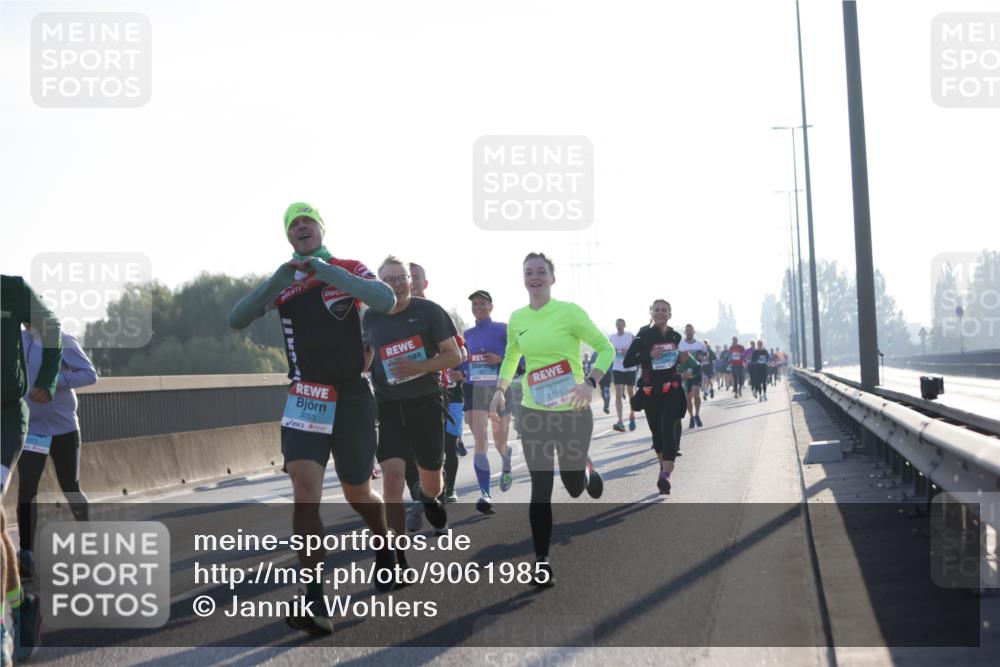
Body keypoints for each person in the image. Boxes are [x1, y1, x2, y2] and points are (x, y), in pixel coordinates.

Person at [228, 202, 396, 635]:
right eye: (293, 224)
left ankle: (385, 547)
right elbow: (237, 319)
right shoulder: (284, 283)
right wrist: (280, 279)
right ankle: (315, 598)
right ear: (289, 236)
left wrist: (328, 272)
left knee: (358, 492)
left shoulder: (347, 267)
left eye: (308, 221)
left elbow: (385, 298)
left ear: (321, 229)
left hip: (354, 396)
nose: (301, 227)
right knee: (305, 490)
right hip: (306, 396)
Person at [490, 253, 612, 587]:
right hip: (534, 413)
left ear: (552, 278)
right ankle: (541, 562)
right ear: (523, 278)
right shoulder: (517, 318)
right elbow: (512, 355)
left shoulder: (569, 312)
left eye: (540, 272)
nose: (534, 277)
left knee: (572, 489)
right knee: (540, 490)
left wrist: (590, 383)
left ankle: (583, 470)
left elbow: (605, 349)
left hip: (572, 413)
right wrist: (501, 389)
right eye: (528, 272)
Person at [363, 256, 462, 555]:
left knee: (431, 481)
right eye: (389, 279)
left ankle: (430, 499)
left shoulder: (429, 312)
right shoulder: (371, 317)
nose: (396, 284)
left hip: (426, 403)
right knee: (392, 482)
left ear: (411, 280)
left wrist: (420, 366)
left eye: (401, 278)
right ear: (380, 284)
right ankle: (396, 555)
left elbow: (454, 355)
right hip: (389, 405)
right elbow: (366, 357)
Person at [1, 275, 62, 662]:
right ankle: (20, 603)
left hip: (5, 420)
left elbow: (51, 328)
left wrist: (47, 378)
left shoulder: (11, 289)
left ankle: (2, 629)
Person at [17, 328, 97, 579]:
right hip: (33, 429)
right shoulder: (15, 340)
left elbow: (90, 375)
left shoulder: (63, 340)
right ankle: (26, 554)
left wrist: (56, 381)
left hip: (63, 427)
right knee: (27, 489)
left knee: (70, 486)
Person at [401, 263, 467, 530]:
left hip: (432, 394)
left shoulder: (433, 312)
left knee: (431, 457)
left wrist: (429, 364)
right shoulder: (388, 314)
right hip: (397, 397)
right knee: (405, 456)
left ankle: (432, 506)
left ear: (424, 283)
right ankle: (421, 498)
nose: (411, 283)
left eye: (415, 278)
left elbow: (458, 352)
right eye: (407, 278)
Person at [624, 299, 685, 495]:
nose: (660, 313)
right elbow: (627, 362)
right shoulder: (642, 336)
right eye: (657, 310)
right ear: (651, 312)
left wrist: (682, 360)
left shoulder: (676, 335)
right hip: (651, 392)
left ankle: (665, 476)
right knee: (657, 433)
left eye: (664, 310)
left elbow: (675, 360)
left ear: (670, 314)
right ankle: (662, 469)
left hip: (672, 389)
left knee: (668, 428)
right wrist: (649, 355)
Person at [463, 289, 514, 515]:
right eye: (475, 304)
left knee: (499, 440)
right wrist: (459, 373)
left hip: (499, 390)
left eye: (482, 304)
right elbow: (465, 362)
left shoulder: (503, 329)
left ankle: (506, 460)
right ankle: (485, 493)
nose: (478, 307)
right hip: (476, 391)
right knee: (480, 441)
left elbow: (518, 356)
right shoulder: (468, 334)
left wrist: (500, 359)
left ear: (491, 307)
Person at [608, 319, 637, 432]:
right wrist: (612, 351)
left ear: (625, 325)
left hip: (630, 368)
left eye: (621, 324)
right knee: (618, 394)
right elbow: (608, 350)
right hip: (618, 368)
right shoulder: (611, 338)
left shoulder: (630, 336)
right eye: (617, 325)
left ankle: (632, 415)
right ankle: (620, 421)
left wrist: (629, 352)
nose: (619, 326)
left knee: (630, 394)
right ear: (615, 326)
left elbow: (638, 348)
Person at [678, 325, 707, 428]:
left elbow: (705, 354)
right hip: (685, 374)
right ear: (685, 332)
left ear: (694, 332)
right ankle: (691, 417)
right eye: (687, 330)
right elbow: (678, 358)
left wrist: (702, 357)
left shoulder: (700, 344)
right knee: (688, 399)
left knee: (697, 395)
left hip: (696, 372)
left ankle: (697, 414)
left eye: (691, 330)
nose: (689, 332)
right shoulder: (680, 344)